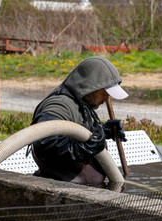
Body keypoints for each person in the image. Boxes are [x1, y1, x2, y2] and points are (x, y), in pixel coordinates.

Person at [30, 56, 128, 187]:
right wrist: (82, 148)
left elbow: (76, 133)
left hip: (84, 190)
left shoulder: (82, 104)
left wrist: (104, 131)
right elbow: (44, 143)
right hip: (61, 192)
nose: (106, 100)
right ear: (90, 87)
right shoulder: (60, 106)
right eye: (105, 93)